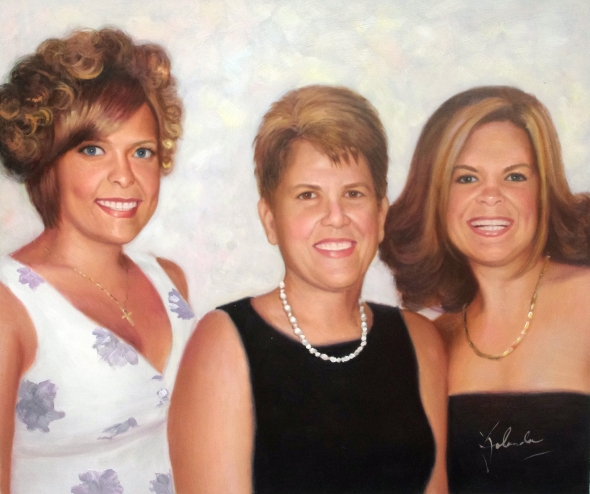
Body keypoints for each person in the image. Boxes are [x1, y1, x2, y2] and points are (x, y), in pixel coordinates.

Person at [169, 85, 448, 493]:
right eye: (307, 195)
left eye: (353, 194)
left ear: (381, 213)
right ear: (270, 219)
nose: (336, 217)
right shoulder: (224, 343)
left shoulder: (419, 340)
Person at [0, 28, 195, 493]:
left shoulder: (169, 281)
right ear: (45, 159)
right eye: (93, 150)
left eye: (142, 152)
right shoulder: (9, 307)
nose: (125, 176)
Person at [380, 85, 590, 493]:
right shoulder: (433, 340)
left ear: (543, 191)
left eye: (515, 176)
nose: (490, 196)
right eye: (466, 178)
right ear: (436, 197)